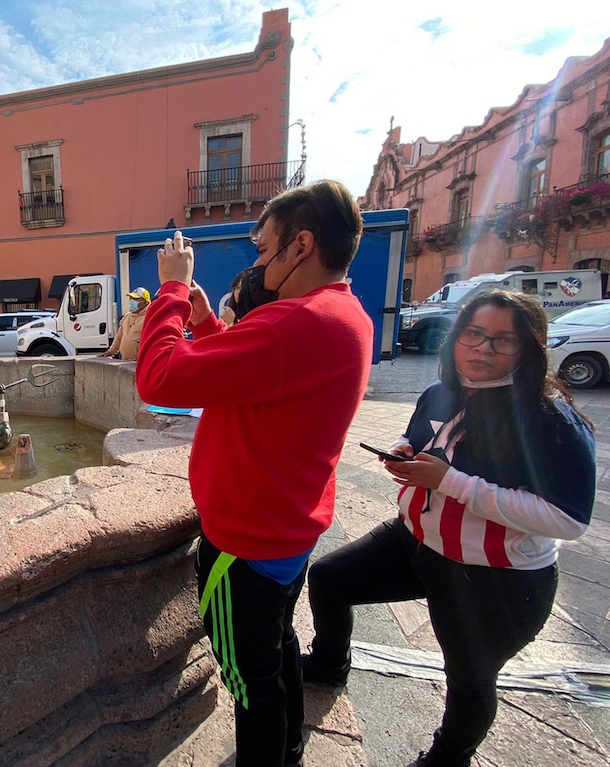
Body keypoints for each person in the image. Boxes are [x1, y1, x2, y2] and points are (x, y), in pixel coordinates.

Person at [134, 180, 374, 767]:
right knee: (277, 650)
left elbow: (158, 380)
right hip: (284, 531)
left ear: (301, 247)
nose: (258, 261)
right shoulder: (342, 314)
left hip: (245, 544)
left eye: (265, 249)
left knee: (250, 684)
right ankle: (289, 750)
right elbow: (262, 385)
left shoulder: (299, 323)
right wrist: (210, 327)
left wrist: (168, 288)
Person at [302, 290, 596, 767]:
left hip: (495, 576)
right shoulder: (442, 391)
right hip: (414, 540)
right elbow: (418, 436)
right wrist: (401, 452)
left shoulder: (550, 419)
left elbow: (568, 519)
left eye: (504, 341)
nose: (483, 349)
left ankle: (448, 757)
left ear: (529, 349)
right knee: (330, 579)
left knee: (470, 678)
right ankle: (329, 665)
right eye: (474, 334)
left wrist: (453, 482)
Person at [101, 287, 150, 361]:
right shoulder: (127, 317)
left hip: (141, 362)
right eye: (131, 298)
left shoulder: (149, 317)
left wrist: (139, 356)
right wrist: (111, 351)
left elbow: (150, 342)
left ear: (145, 302)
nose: (132, 301)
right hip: (126, 361)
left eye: (136, 299)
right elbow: (119, 337)